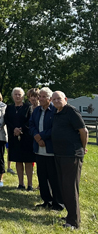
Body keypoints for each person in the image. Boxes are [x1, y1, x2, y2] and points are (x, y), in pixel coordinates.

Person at [51, 91, 88, 230]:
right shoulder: (57, 112)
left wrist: (82, 149)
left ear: (65, 99)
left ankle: (74, 222)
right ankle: (70, 215)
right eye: (53, 99)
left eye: (58, 99)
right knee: (64, 187)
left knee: (70, 187)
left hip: (71, 155)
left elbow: (83, 131)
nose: (55, 101)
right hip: (60, 154)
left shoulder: (71, 111)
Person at [29, 87, 63, 211]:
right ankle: (46, 201)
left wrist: (41, 136)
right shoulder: (37, 110)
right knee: (42, 177)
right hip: (39, 149)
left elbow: (55, 128)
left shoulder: (55, 111)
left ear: (50, 98)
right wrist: (37, 137)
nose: (41, 99)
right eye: (40, 96)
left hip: (51, 149)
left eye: (43, 97)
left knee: (54, 178)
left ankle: (58, 203)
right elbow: (31, 124)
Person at [5, 87, 35, 190]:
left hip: (26, 137)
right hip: (13, 137)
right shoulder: (9, 108)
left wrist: (21, 129)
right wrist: (14, 129)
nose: (17, 96)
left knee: (28, 160)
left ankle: (30, 184)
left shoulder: (28, 107)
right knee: (18, 160)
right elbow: (7, 120)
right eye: (15, 94)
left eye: (19, 94)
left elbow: (30, 120)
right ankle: (21, 183)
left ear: (23, 96)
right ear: (12, 96)